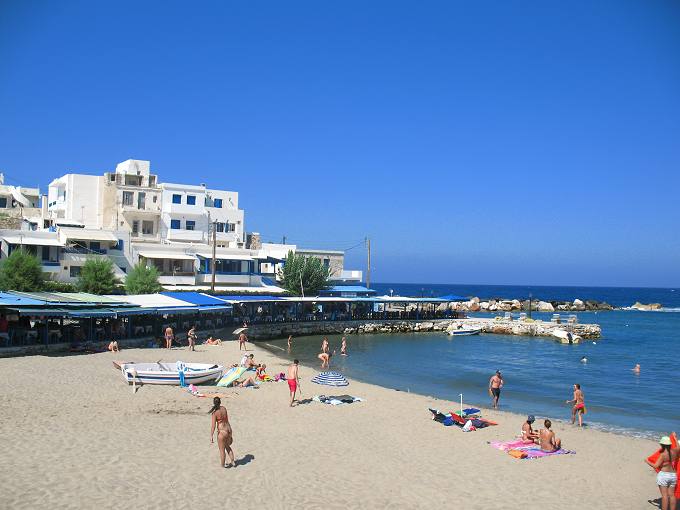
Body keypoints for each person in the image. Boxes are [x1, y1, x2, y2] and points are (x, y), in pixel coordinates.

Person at [646, 435, 679, 510]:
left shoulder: (663, 455)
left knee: (664, 495)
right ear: (670, 444)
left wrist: (647, 461)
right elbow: (678, 446)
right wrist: (675, 437)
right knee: (671, 495)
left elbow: (656, 466)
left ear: (662, 444)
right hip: (673, 475)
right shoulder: (675, 451)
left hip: (664, 475)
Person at [209, 397, 235, 468]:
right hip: (229, 429)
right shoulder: (224, 408)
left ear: (214, 403)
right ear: (220, 402)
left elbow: (213, 426)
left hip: (222, 432)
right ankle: (233, 461)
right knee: (227, 446)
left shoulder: (215, 413)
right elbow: (227, 419)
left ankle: (222, 465)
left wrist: (211, 436)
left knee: (222, 450)